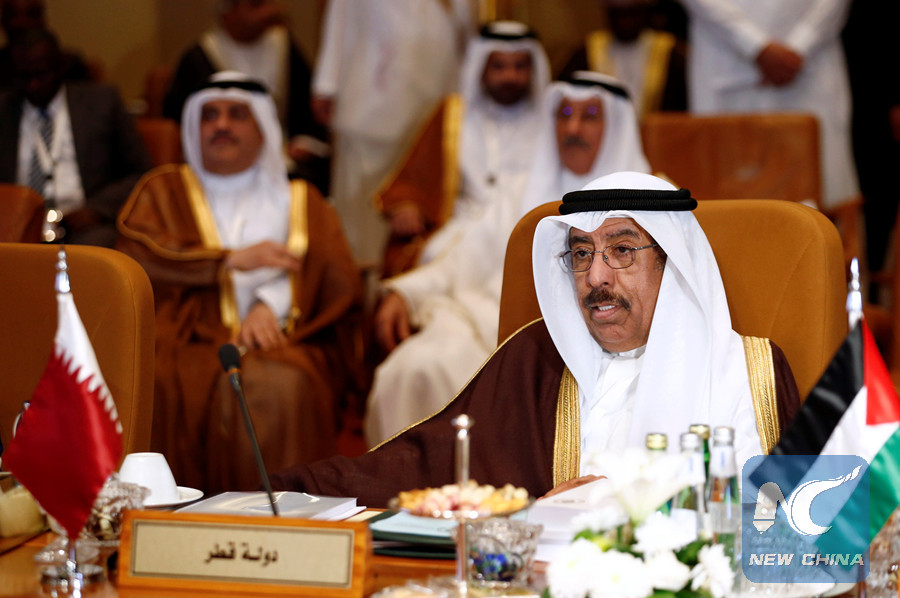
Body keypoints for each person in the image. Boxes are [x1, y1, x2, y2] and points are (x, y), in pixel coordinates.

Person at [270, 171, 800, 507]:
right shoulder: (539, 360)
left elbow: (793, 533)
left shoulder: (746, 372)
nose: (595, 277)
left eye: (621, 251)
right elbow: (419, 470)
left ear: (673, 264)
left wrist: (619, 507)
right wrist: (273, 496)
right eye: (582, 254)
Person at [364, 73, 651, 446]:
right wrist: (407, 294)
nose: (573, 128)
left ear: (616, 126)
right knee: (415, 368)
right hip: (495, 328)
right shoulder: (519, 189)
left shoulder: (653, 199)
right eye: (564, 114)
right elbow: (463, 259)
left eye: (590, 115)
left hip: (605, 339)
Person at [117, 72, 363, 495]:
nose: (222, 125)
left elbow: (333, 274)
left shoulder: (300, 197)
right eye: (209, 115)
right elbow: (137, 253)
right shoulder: (163, 189)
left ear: (263, 127)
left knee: (280, 387)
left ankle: (281, 518)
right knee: (161, 380)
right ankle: (178, 514)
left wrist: (272, 304)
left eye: (237, 115)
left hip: (279, 338)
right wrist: (227, 261)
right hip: (185, 335)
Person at [376, 20, 550, 277]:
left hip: (531, 230)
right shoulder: (453, 116)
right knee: (432, 264)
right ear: (481, 69)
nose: (510, 76)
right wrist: (408, 205)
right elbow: (416, 174)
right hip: (464, 226)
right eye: (499, 66)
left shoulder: (553, 122)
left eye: (519, 67)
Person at [311, 0, 472, 265]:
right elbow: (340, 22)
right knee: (360, 206)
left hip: (432, 105)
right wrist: (327, 83)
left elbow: (465, 33)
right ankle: (358, 275)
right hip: (368, 103)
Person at [679, 0, 858, 210]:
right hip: (724, 58)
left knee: (825, 188)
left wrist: (802, 42)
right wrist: (755, 46)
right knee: (729, 201)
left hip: (812, 66)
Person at [0, 28, 152, 246]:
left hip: (82, 225)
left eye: (41, 75)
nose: (33, 85)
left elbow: (142, 172)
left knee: (94, 250)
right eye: (24, 76)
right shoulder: (4, 111)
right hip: (16, 228)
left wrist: (96, 209)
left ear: (60, 67)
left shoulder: (102, 103)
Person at [162, 0, 328, 193]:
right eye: (256, 6)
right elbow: (181, 123)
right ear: (228, 14)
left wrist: (304, 141)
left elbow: (310, 105)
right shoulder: (199, 58)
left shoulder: (284, 45)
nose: (269, 12)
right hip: (221, 165)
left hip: (285, 161)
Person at [560, 0, 686, 120]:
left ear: (645, 12)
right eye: (618, 14)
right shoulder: (586, 52)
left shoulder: (670, 52)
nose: (626, 21)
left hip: (656, 133)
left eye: (632, 13)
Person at [0, 0, 91, 89]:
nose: (22, 22)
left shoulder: (69, 65)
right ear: (3, 20)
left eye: (31, 14)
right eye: (13, 15)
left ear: (42, 20)